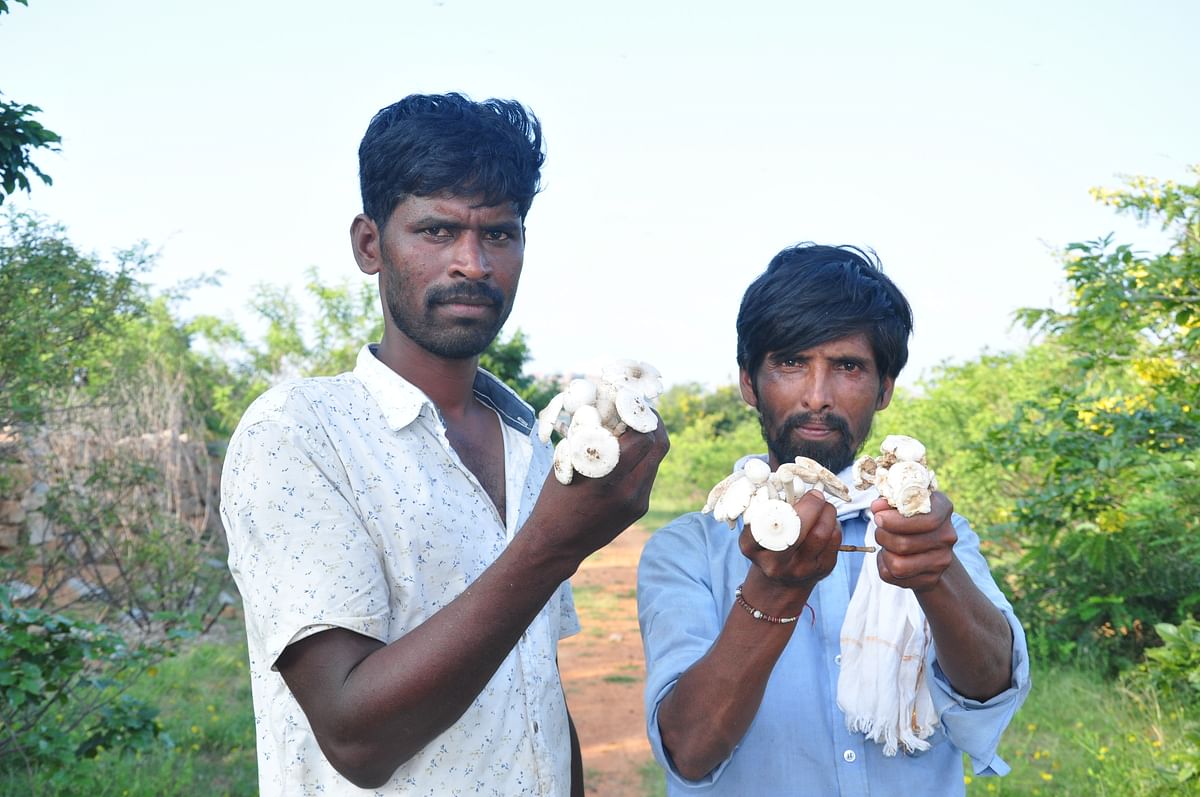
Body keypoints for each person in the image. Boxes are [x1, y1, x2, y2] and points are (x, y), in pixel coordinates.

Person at [220, 93, 669, 796]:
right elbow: (354, 736)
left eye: (499, 234)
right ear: (370, 245)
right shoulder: (299, 435)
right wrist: (553, 543)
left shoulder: (534, 447)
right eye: (435, 230)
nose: (473, 263)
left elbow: (534, 698)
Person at [637, 243, 1030, 795]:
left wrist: (936, 577)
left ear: (885, 387)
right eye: (790, 363)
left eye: (848, 366)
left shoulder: (929, 533)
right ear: (749, 382)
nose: (817, 396)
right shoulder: (689, 550)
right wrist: (773, 593)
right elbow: (690, 749)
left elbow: (990, 689)